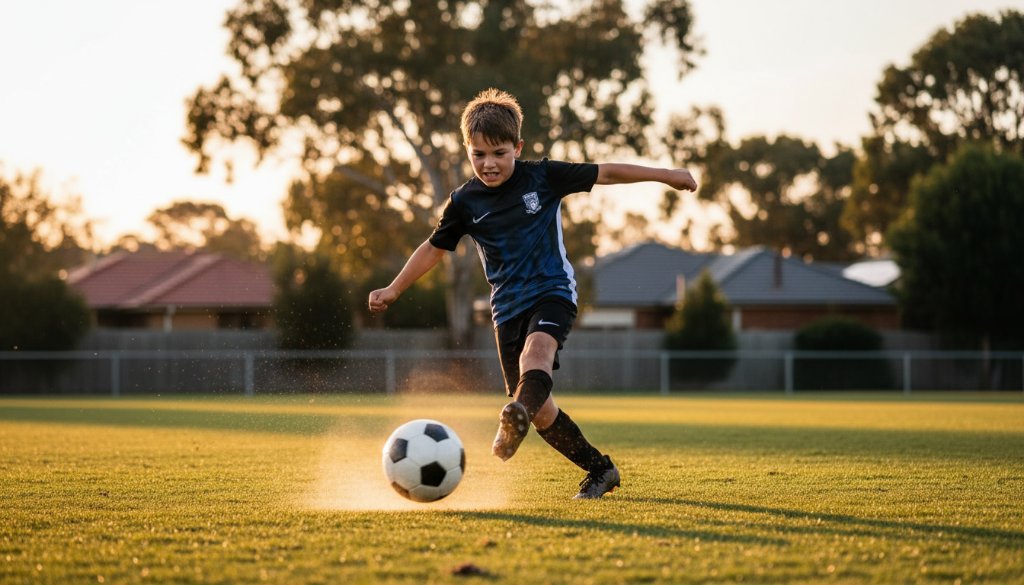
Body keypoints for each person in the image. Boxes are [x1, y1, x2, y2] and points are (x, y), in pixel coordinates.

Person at [368, 88, 697, 499]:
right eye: (478, 154)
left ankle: (514, 417)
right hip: (505, 310)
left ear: (518, 147)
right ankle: (600, 469)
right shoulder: (464, 202)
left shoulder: (543, 176)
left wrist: (666, 175)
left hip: (552, 290)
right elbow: (435, 248)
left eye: (499, 153)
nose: (489, 164)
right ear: (467, 151)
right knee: (543, 412)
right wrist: (395, 288)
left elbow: (606, 172)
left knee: (534, 357)